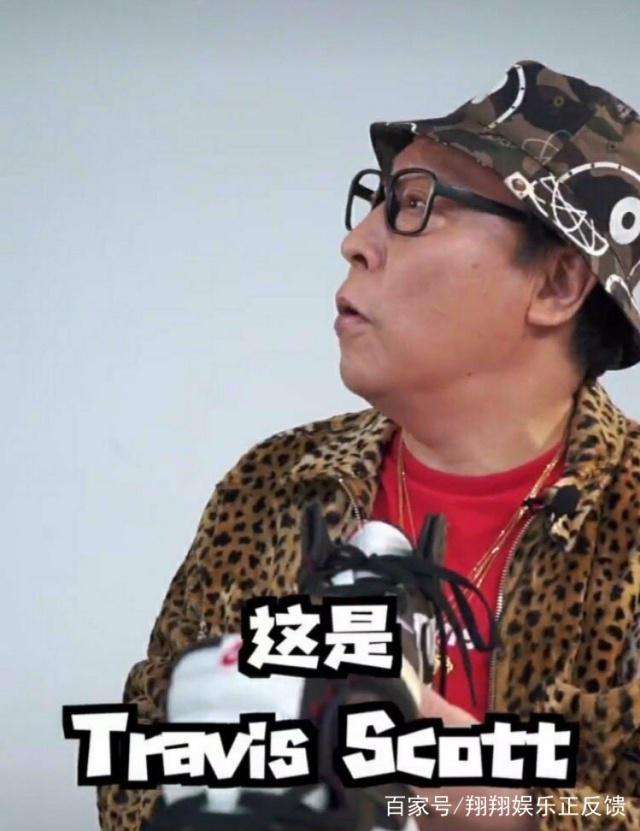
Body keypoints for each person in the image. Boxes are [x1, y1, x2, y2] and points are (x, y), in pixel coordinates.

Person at [98, 60, 640, 830]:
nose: (356, 243)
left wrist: (482, 794)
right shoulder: (275, 482)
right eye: (376, 202)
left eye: (415, 206)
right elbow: (134, 765)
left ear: (557, 283)